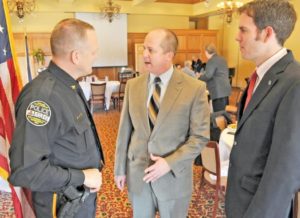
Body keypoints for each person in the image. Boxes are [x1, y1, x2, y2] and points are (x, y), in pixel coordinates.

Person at [8, 18, 104, 218]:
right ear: (76, 56)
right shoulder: (42, 97)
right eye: (93, 51)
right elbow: (26, 170)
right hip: (61, 205)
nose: (96, 56)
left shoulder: (69, 85)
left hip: (80, 197)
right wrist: (83, 176)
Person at [114, 28, 210, 218]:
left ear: (169, 55)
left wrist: (169, 162)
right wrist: (119, 169)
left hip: (173, 179)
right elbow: (124, 130)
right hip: (138, 176)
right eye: (144, 49)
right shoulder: (133, 85)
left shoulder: (195, 88)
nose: (144, 55)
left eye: (151, 50)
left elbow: (199, 137)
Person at [225, 1, 299, 218]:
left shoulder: (295, 83)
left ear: (267, 33)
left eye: (243, 30)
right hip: (240, 201)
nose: (237, 37)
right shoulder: (260, 76)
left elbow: (285, 172)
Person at [198, 43, 231, 112]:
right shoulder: (222, 59)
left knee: (218, 114)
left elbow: (208, 75)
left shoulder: (211, 60)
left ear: (207, 52)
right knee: (224, 112)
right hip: (225, 89)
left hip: (218, 91)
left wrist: (199, 77)